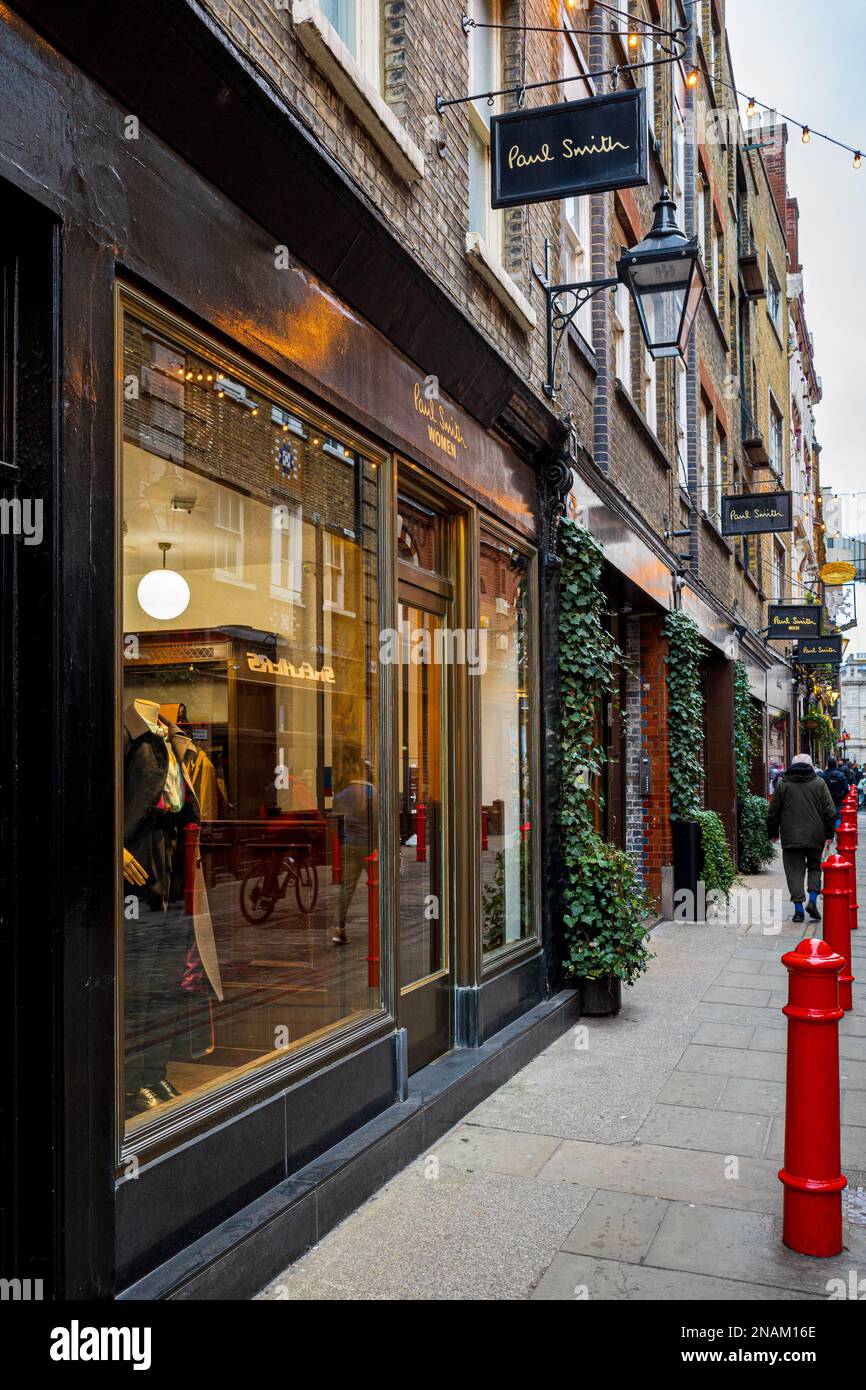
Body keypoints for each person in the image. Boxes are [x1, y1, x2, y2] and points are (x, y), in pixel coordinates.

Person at [767, 752, 837, 925]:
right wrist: (829, 834)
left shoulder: (783, 784)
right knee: (815, 867)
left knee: (794, 872)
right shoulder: (819, 783)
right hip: (816, 835)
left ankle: (798, 911)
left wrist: (773, 833)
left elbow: (773, 812)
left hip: (791, 836)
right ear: (811, 766)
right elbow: (830, 812)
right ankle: (812, 899)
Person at [822, 757, 850, 829]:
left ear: (827, 764)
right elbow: (846, 788)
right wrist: (844, 795)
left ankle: (828, 831)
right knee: (838, 816)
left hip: (826, 799)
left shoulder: (823, 775)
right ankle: (837, 831)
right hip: (838, 798)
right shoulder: (840, 775)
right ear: (836, 764)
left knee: (827, 816)